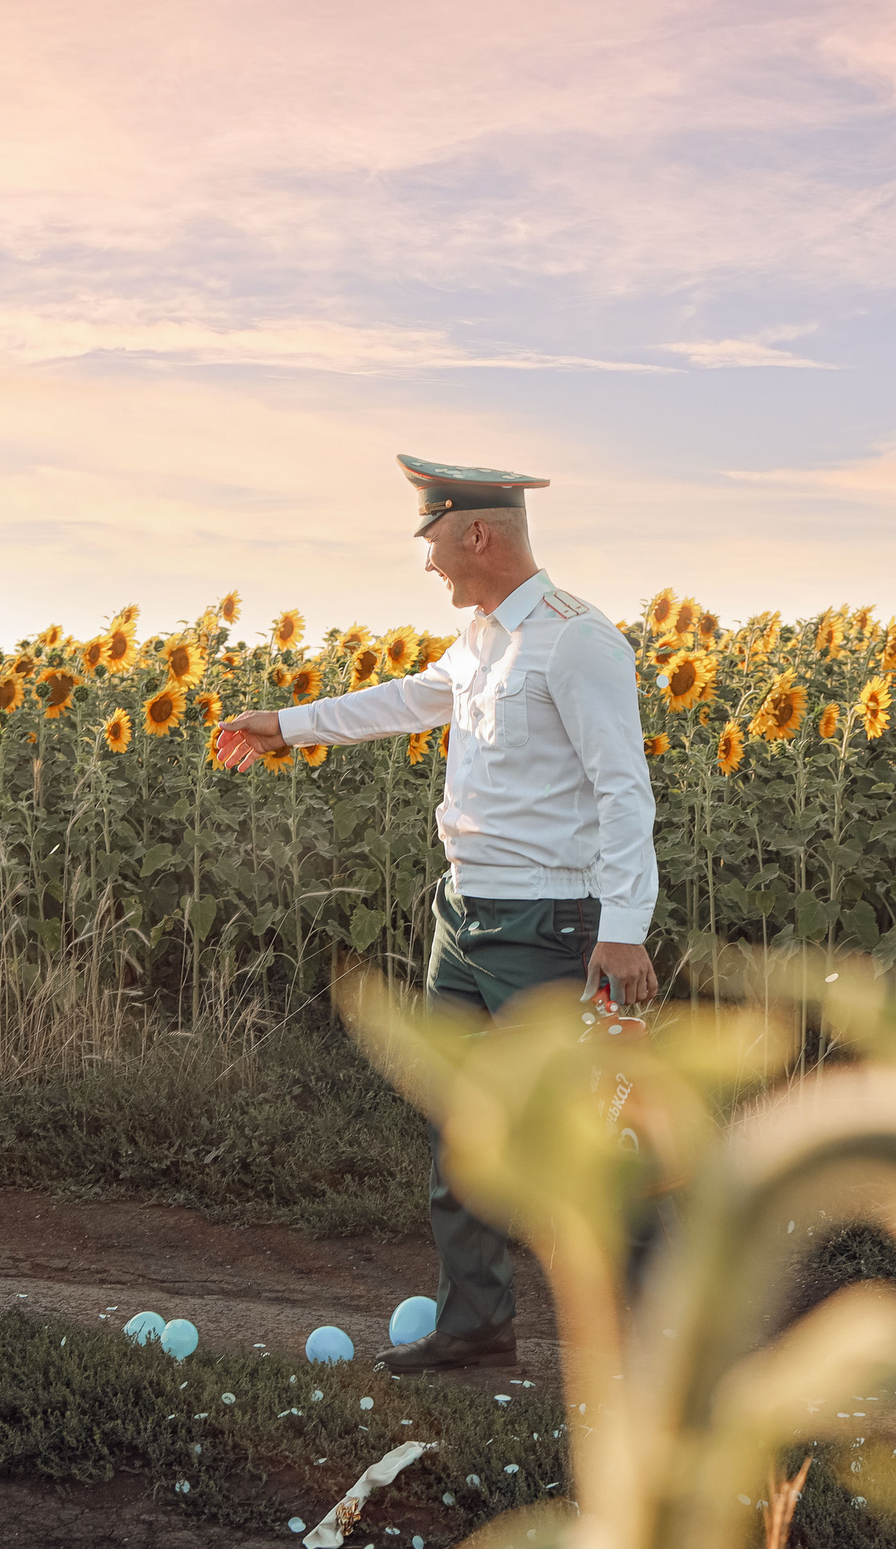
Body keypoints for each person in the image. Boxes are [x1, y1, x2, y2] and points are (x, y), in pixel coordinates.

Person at [217, 454, 659, 1373]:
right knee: (456, 1125)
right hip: (462, 918)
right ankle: (476, 1324)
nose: (430, 565)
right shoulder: (487, 638)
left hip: (551, 926)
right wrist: (282, 724)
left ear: (479, 535)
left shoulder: (578, 641)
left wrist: (625, 925)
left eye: (434, 542)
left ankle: (656, 1344)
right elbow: (410, 701)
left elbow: (625, 789)